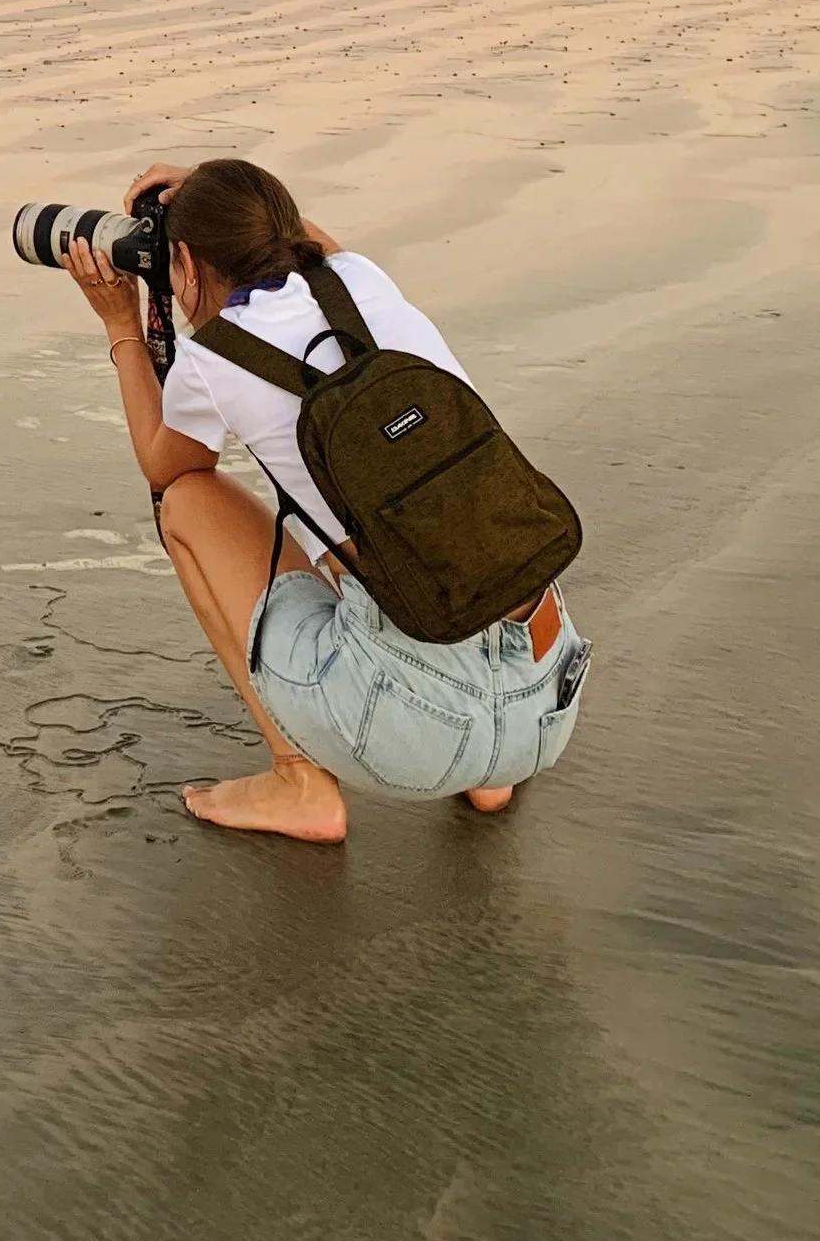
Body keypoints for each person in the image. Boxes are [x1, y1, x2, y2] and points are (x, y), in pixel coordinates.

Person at [66, 156, 588, 843]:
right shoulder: (361, 278)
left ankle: (299, 781)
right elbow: (309, 245)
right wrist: (215, 182)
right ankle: (491, 775)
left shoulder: (213, 358)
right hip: (549, 704)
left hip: (415, 731)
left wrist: (121, 326)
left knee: (187, 502)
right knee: (411, 518)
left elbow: (165, 467)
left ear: (184, 262)